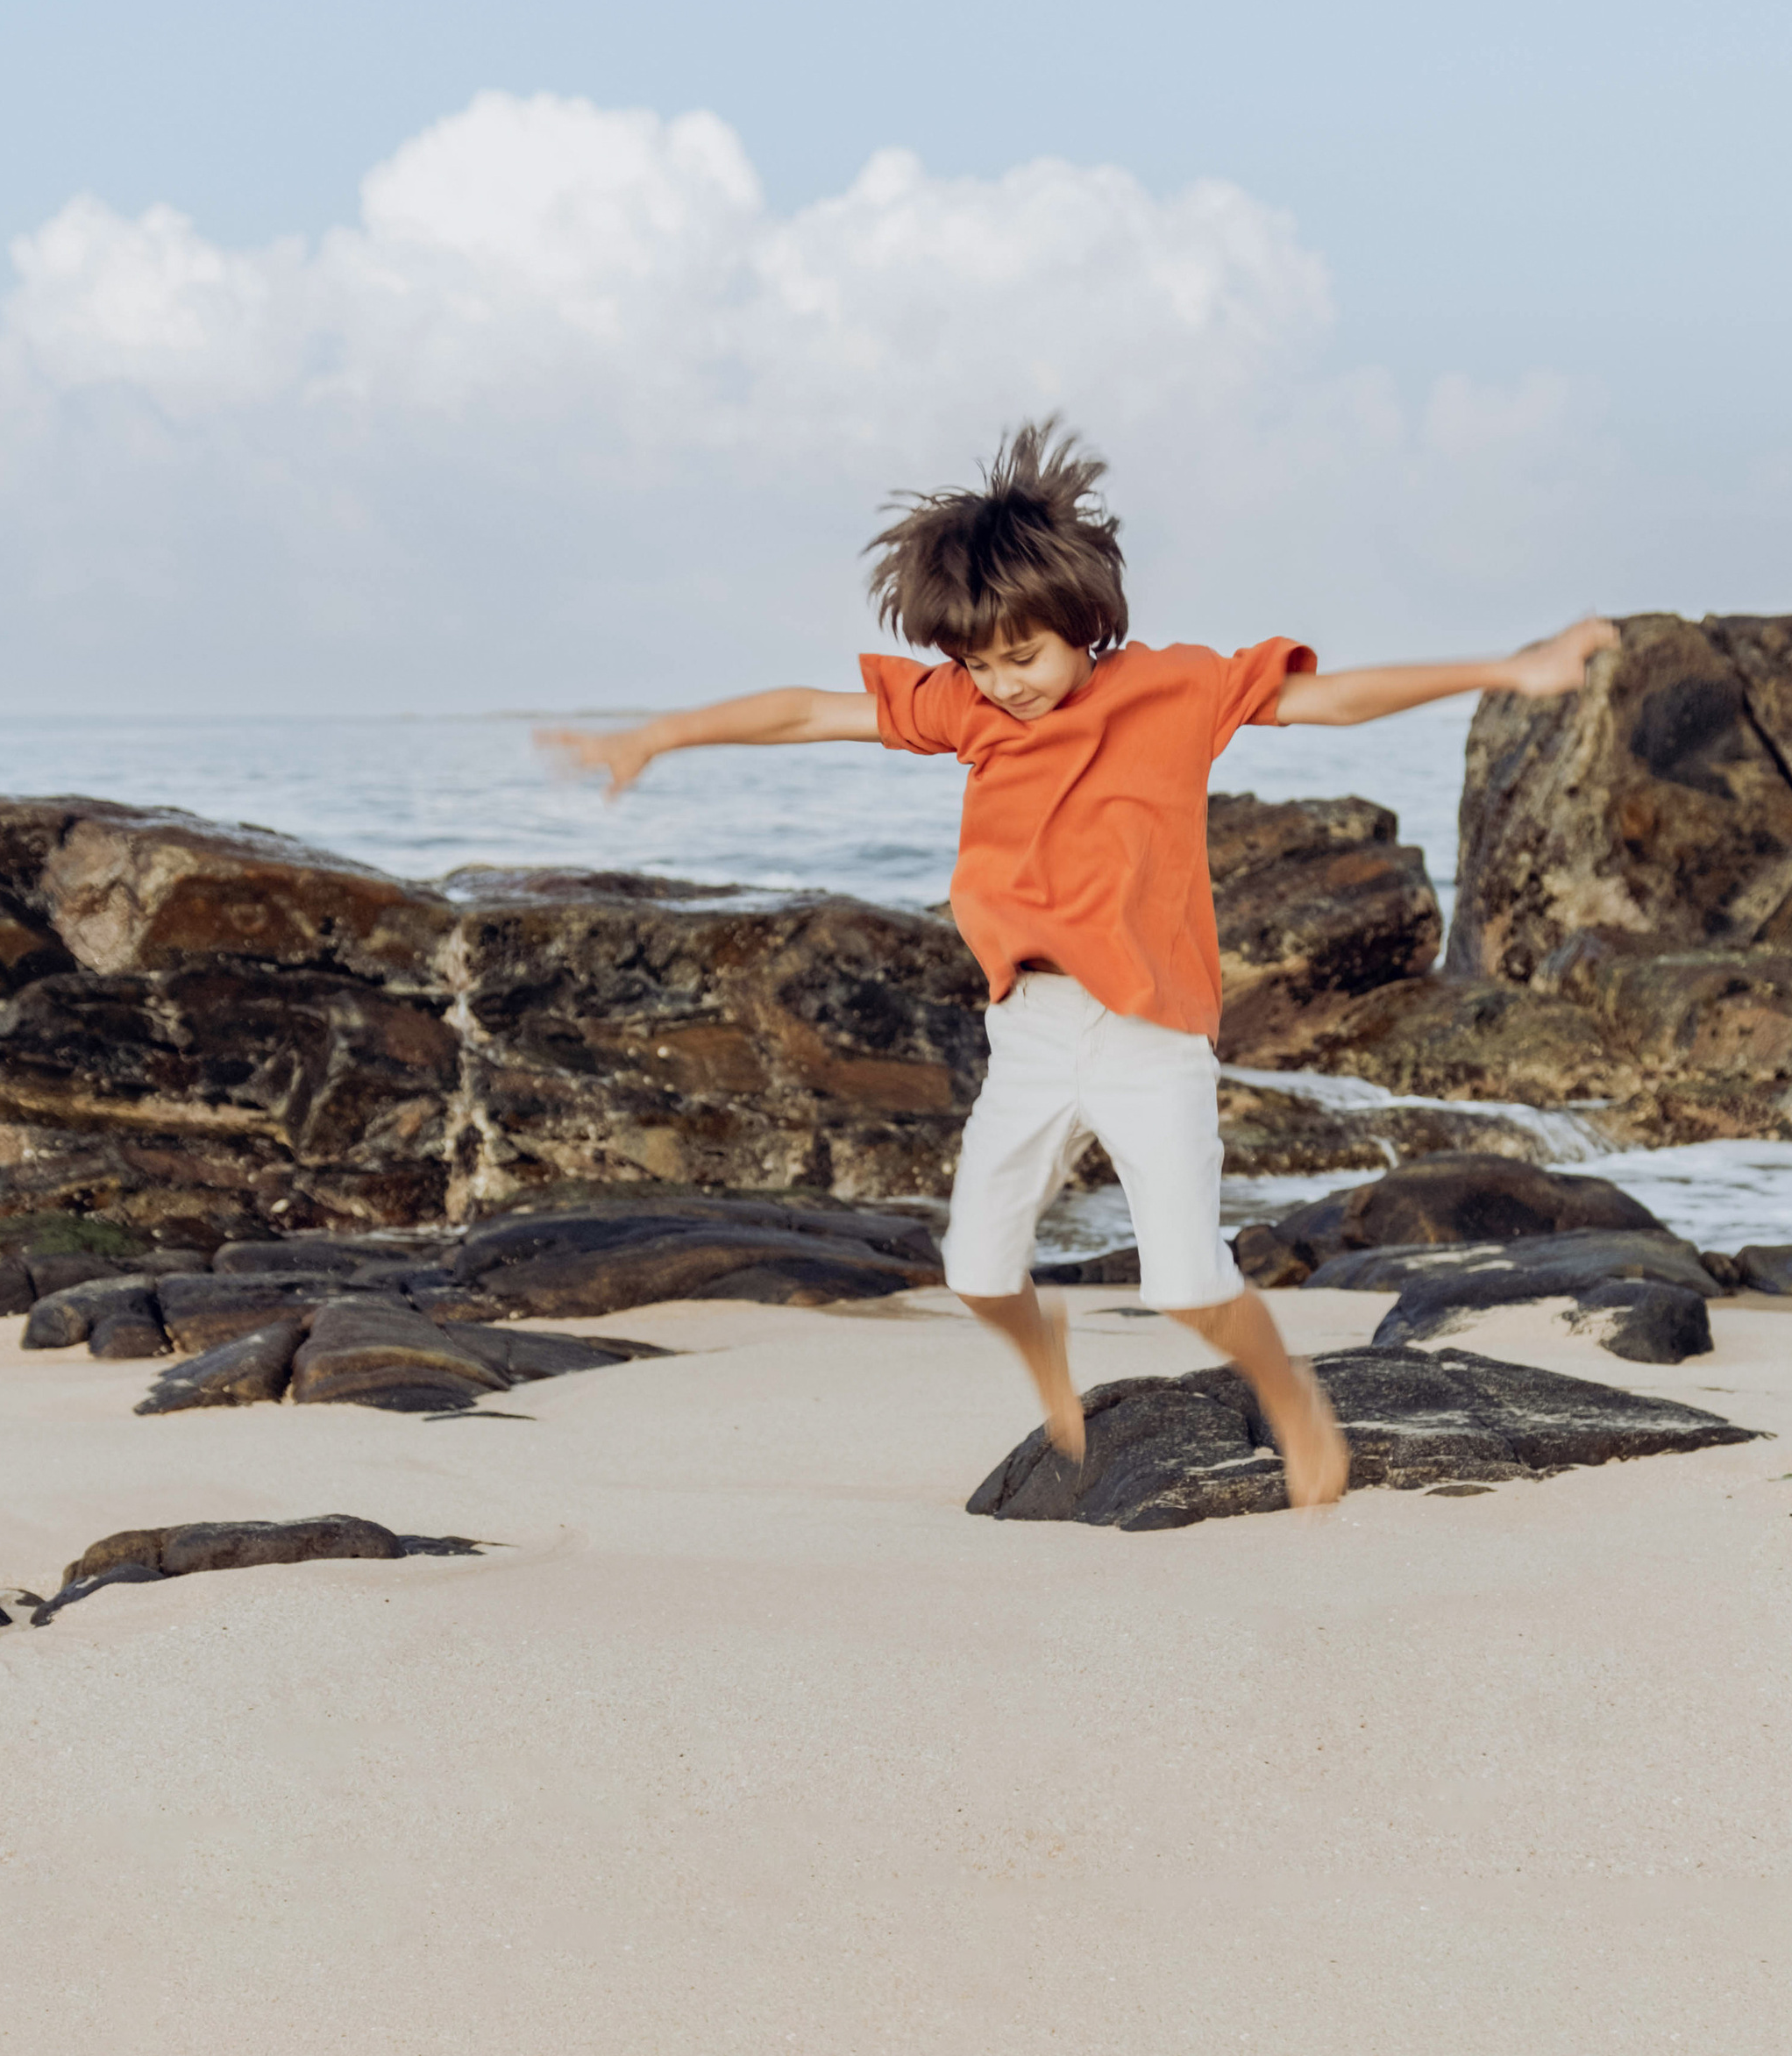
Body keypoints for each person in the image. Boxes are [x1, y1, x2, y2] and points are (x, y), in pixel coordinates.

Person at [542, 423, 1617, 1509]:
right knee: (975, 1276)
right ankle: (1045, 1359)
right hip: (1035, 1031)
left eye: (1024, 657)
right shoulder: (966, 707)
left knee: (1190, 1291)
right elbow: (806, 712)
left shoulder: (1177, 690)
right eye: (977, 663)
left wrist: (1510, 670)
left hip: (1151, 1036)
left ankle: (1290, 1397)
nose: (1002, 684)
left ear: (1085, 622)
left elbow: (1329, 698)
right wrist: (659, 735)